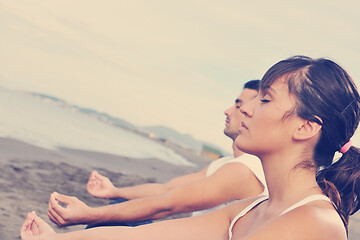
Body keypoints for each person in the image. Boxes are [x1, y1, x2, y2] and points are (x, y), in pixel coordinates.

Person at [21, 56, 360, 240]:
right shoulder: (254, 207)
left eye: (266, 98)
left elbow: (167, 204)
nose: (247, 108)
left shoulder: (313, 224)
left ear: (305, 126)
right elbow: (149, 235)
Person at [46, 80, 267, 228]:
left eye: (238, 105)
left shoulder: (244, 170)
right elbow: (167, 189)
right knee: (122, 204)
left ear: (253, 113)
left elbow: (168, 204)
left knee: (112, 222)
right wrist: (114, 190)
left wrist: (88, 214)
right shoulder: (227, 164)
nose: (228, 110)